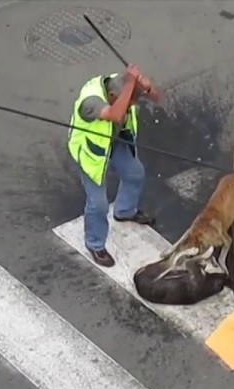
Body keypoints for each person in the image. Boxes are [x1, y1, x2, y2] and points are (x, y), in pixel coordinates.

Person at [67, 64, 161, 267]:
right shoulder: (90, 102)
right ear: (111, 96)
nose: (130, 109)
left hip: (116, 139)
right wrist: (129, 86)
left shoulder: (121, 85)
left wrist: (146, 87)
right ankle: (95, 243)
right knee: (98, 203)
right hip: (91, 153)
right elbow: (116, 115)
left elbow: (157, 97)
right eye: (128, 104)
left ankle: (125, 211)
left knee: (135, 173)